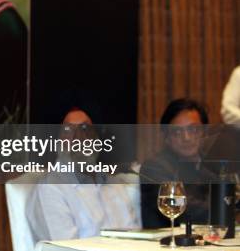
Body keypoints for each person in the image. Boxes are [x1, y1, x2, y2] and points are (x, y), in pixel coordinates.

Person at [26, 99, 140, 241]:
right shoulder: (51, 189)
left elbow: (135, 236)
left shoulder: (113, 183)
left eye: (85, 129)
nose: (78, 137)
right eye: (68, 131)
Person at [140, 98, 216, 228]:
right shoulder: (154, 167)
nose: (186, 138)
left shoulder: (213, 165)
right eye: (177, 131)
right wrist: (227, 208)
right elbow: (185, 208)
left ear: (204, 132)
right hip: (166, 243)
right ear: (167, 137)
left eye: (193, 130)